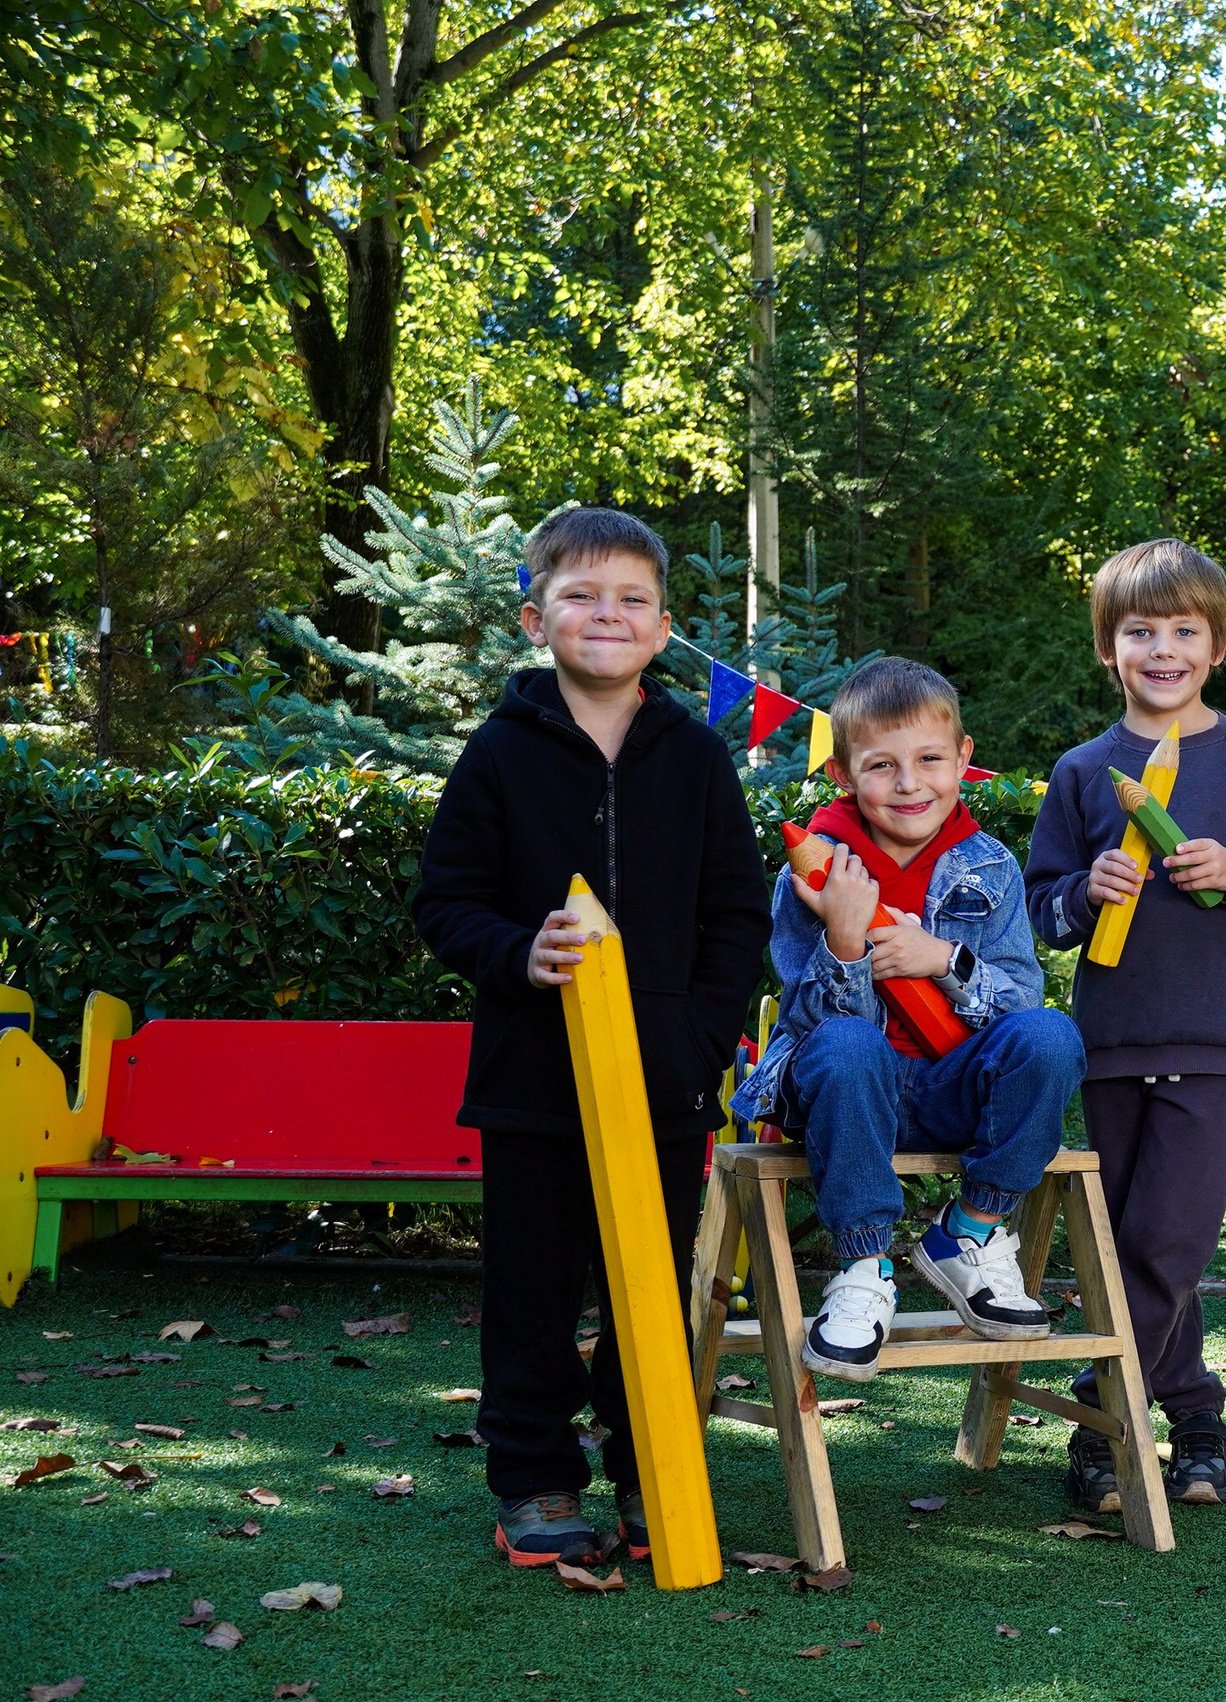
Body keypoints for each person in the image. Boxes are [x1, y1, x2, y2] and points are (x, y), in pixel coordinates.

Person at [414, 507, 770, 1569]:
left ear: (664, 629)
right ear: (537, 618)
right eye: (580, 595)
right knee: (531, 1288)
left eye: (631, 599)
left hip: (663, 1084)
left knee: (645, 1288)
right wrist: (521, 952)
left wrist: (699, 1034)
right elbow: (446, 900)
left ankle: (652, 1465)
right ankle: (534, 1477)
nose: (605, 614)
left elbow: (736, 916)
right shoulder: (499, 754)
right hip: (533, 1082)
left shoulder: (698, 757)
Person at [1024, 537, 1226, 1514]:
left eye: (1182, 630)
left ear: (1216, 645)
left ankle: (1097, 1411)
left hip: (1215, 1038)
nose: (1161, 648)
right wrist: (1085, 891)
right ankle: (1196, 1415)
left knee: (1170, 1236)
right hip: (1113, 1042)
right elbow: (1037, 907)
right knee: (1141, 1239)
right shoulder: (1084, 771)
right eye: (1138, 631)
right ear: (1106, 648)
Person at [730, 657, 1085, 1384]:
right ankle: (865, 1269)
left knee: (1053, 1035)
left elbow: (1019, 993)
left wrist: (944, 958)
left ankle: (972, 1233)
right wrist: (845, 942)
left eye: (929, 759)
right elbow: (811, 1024)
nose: (908, 783)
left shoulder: (990, 866)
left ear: (963, 759)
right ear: (843, 774)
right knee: (849, 1045)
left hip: (958, 1086)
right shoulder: (813, 872)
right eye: (882, 765)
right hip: (848, 1095)